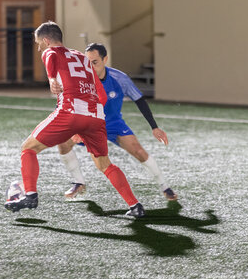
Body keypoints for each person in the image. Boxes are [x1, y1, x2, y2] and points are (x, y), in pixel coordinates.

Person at [4, 21, 145, 217]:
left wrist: (52, 78)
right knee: (105, 164)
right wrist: (87, 124)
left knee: (28, 148)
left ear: (46, 40)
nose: (39, 48)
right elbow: (102, 96)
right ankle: (135, 205)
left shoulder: (51, 52)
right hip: (96, 116)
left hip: (70, 111)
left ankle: (30, 195)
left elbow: (50, 56)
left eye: (39, 43)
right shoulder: (83, 58)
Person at [55, 43, 178, 201]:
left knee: (139, 151)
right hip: (89, 125)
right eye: (87, 63)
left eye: (95, 62)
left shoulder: (120, 78)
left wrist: (154, 127)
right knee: (63, 143)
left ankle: (165, 186)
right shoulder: (80, 79)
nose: (90, 67)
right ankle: (79, 182)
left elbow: (139, 100)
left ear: (105, 59)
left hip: (113, 124)